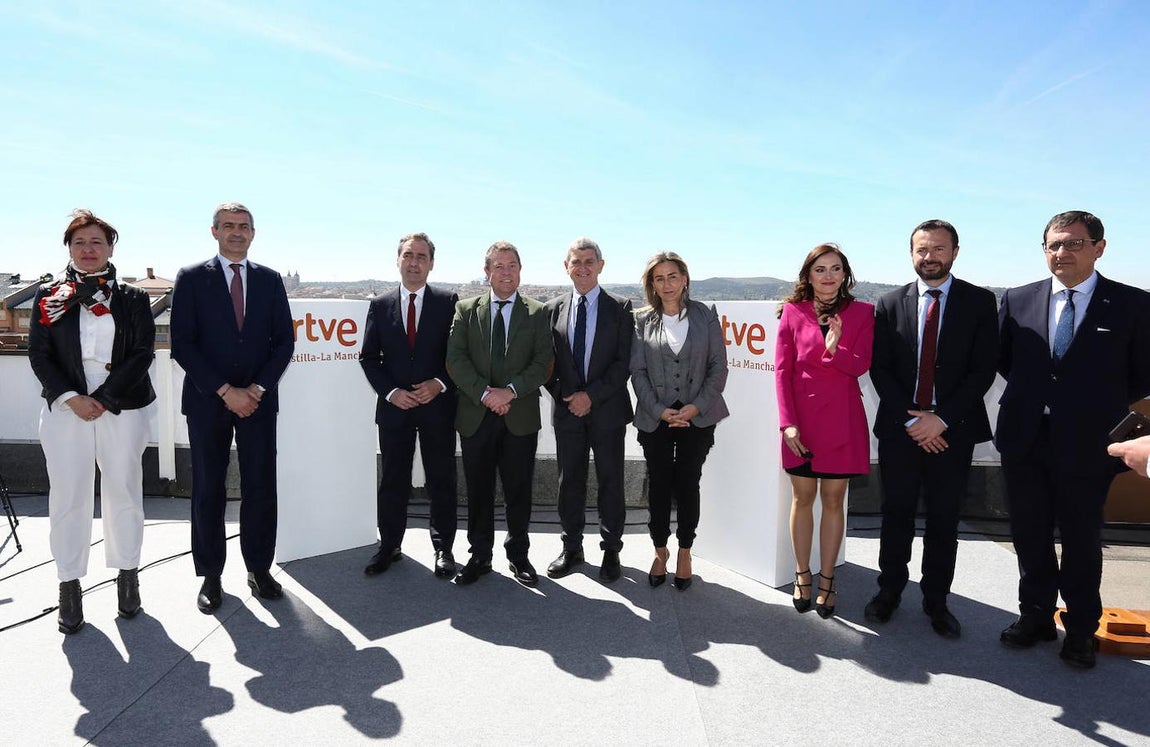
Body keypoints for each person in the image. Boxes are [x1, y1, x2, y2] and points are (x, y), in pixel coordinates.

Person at [996, 210, 1150, 669]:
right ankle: (1035, 616)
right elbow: (1006, 360)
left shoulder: (1133, 304)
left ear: (1099, 248)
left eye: (1074, 243)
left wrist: (1087, 403)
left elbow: (1142, 373)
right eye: (1054, 245)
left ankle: (1081, 629)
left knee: (1082, 538)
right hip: (1025, 437)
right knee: (1029, 533)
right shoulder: (1018, 299)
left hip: (1089, 442)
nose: (1062, 252)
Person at [864, 220, 998, 638]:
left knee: (944, 518)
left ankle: (937, 600)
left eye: (939, 249)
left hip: (952, 431)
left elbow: (983, 370)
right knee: (896, 514)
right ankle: (889, 591)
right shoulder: (888, 303)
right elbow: (880, 369)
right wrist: (913, 421)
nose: (930, 257)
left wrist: (940, 420)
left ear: (955, 252)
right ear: (911, 254)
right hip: (901, 429)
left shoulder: (980, 302)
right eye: (922, 249)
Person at [29, 209, 156, 634]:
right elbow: (39, 354)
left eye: (96, 242)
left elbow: (142, 353)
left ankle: (127, 575)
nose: (88, 249)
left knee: (124, 490)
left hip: (123, 403)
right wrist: (72, 398)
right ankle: (69, 584)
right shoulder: (49, 296)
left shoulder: (133, 298)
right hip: (67, 407)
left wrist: (103, 398)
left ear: (110, 249)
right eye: (80, 242)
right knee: (69, 494)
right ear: (69, 248)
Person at [171, 202, 295, 614]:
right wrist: (226, 391)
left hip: (258, 402)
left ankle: (259, 569)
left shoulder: (270, 280)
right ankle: (210, 575)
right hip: (208, 401)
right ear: (215, 231)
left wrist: (255, 389)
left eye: (244, 226)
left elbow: (284, 342)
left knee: (261, 486)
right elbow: (182, 343)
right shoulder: (191, 278)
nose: (236, 232)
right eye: (228, 226)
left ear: (253, 233)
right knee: (209, 487)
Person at [445, 241, 553, 587]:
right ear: (486, 271)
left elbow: (544, 362)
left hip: (519, 415)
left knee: (518, 490)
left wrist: (510, 392)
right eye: (499, 266)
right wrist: (485, 394)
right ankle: (479, 555)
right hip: (476, 414)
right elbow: (455, 359)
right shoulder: (465, 310)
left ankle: (518, 556)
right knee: (478, 490)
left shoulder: (538, 312)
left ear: (520, 270)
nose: (506, 272)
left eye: (512, 266)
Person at [774, 244, 873, 618]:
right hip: (800, 422)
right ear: (808, 275)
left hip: (841, 422)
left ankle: (828, 580)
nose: (828, 276)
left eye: (835, 269)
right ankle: (802, 575)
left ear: (845, 274)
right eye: (820, 269)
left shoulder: (863, 312)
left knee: (833, 500)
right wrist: (787, 423)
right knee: (802, 498)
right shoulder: (792, 312)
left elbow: (860, 365)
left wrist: (835, 347)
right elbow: (782, 372)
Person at [359, 232, 459, 579]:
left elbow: (458, 355)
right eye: (408, 255)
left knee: (441, 478)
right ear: (397, 260)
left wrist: (439, 384)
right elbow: (369, 358)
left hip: (437, 407)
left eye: (421, 256)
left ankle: (443, 548)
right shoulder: (380, 304)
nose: (414, 262)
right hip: (395, 409)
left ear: (431, 263)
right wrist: (391, 393)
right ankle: (389, 545)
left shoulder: (448, 302)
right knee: (393, 479)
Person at [631, 251, 728, 592]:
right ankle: (660, 550)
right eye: (659, 278)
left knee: (688, 483)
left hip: (697, 418)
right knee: (658, 484)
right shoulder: (641, 320)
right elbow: (637, 371)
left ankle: (685, 550)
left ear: (685, 279)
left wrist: (695, 407)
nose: (667, 284)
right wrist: (659, 410)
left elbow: (718, 367)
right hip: (655, 417)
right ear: (652, 284)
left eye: (673, 276)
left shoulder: (705, 315)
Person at [544, 238, 634, 583]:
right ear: (566, 266)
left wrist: (590, 397)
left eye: (589, 261)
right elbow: (545, 364)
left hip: (607, 411)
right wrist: (568, 397)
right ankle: (571, 548)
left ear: (601, 265)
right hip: (568, 412)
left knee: (611, 481)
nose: (582, 267)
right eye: (576, 261)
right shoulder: (552, 309)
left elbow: (623, 363)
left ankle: (611, 549)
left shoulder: (621, 308)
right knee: (570, 482)